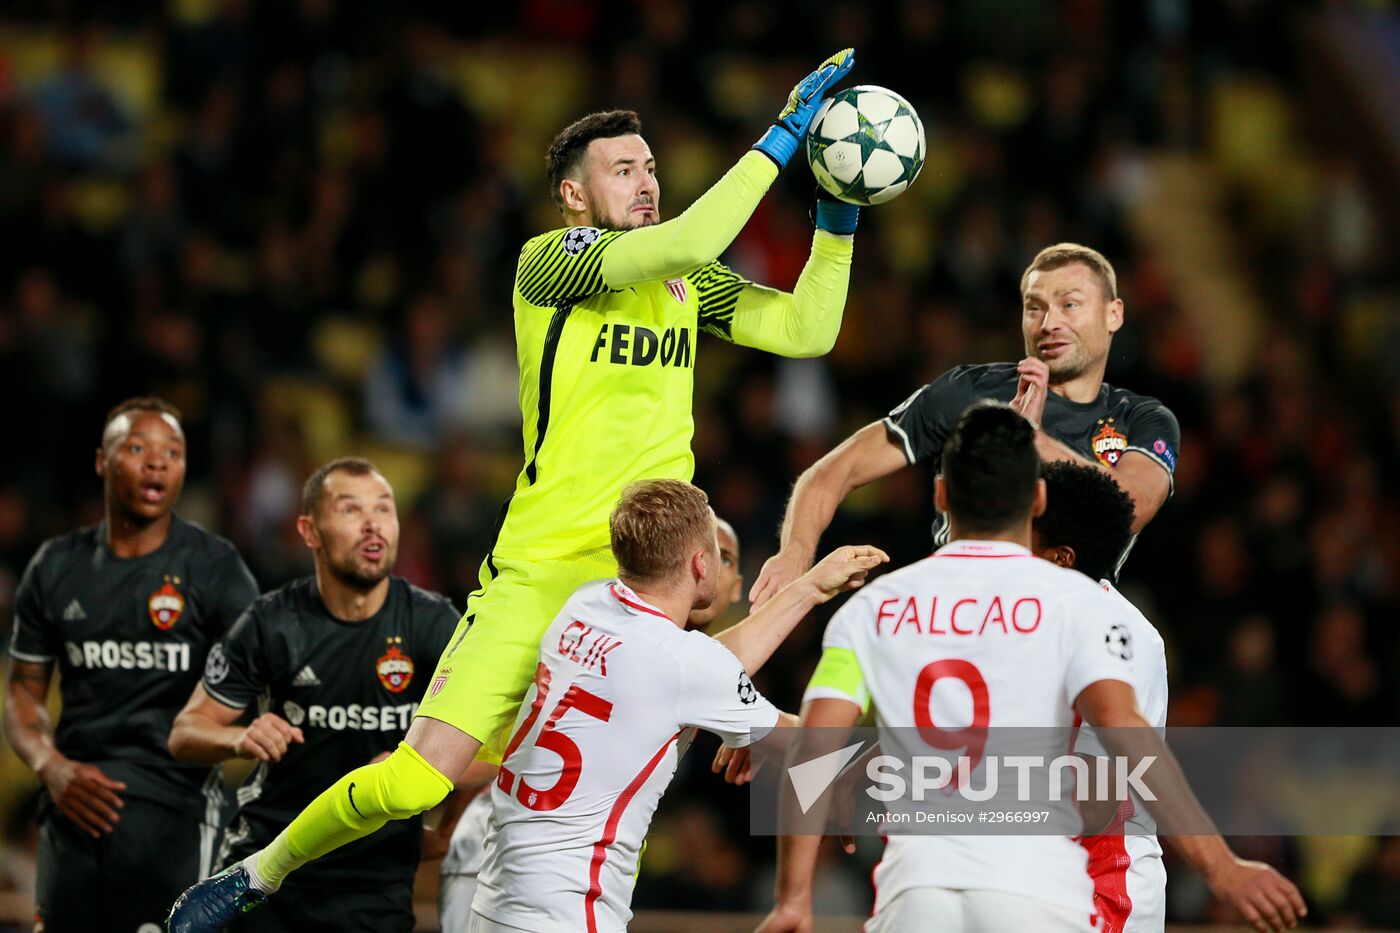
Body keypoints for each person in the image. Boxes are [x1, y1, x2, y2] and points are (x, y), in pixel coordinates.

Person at [168, 48, 862, 929]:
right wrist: (785, 133)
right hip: (540, 568)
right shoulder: (552, 263)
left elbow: (808, 330)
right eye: (622, 170)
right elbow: (688, 236)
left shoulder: (683, 285)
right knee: (422, 777)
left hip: (643, 579)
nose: (645, 182)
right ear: (574, 195)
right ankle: (258, 873)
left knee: (689, 747)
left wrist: (837, 215)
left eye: (650, 167)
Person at [759, 402, 1304, 933]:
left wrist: (794, 898)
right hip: (1037, 890)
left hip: (916, 892)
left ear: (940, 494)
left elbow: (815, 748)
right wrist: (1221, 866)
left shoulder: (873, 608)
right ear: (1037, 498)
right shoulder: (1078, 606)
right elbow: (1126, 737)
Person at [469, 479, 885, 932]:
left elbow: (695, 668)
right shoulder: (686, 664)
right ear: (700, 562)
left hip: (496, 900)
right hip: (566, 911)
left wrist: (809, 589)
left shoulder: (586, 605)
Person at [750, 242, 1180, 607]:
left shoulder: (1143, 420)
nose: (1049, 323)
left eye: (1070, 304)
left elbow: (1132, 507)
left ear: (1113, 314)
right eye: (1035, 308)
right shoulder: (970, 391)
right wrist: (796, 552)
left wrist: (1029, 439)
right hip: (960, 621)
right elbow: (834, 470)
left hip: (1076, 636)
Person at [166, 458, 464, 932]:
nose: (373, 525)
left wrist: (448, 829)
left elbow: (493, 747)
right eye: (350, 510)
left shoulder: (434, 624)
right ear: (309, 530)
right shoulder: (270, 622)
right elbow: (185, 733)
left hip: (375, 883)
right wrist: (239, 738)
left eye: (384, 509)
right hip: (265, 875)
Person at [3, 397, 258, 932]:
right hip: (73, 805)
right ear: (102, 461)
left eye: (173, 452)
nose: (157, 462)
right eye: (137, 448)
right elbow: (23, 692)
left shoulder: (216, 569)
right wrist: (51, 767)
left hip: (178, 810)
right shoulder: (56, 567)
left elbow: (258, 685)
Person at [435, 517, 743, 932]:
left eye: (725, 558)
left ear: (738, 584)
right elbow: (801, 732)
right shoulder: (597, 625)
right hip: (511, 858)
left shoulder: (691, 658)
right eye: (707, 551)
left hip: (597, 874)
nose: (707, 562)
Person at [1031, 461, 1168, 932]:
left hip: (1106, 884)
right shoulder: (1030, 619)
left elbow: (1096, 800)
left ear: (1060, 557)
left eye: (1021, 532)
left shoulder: (1123, 636)